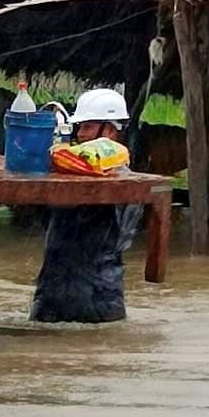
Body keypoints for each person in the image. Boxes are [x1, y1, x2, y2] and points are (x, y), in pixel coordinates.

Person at [31, 88, 140, 324]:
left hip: (97, 300)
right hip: (51, 295)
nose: (80, 134)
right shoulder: (66, 176)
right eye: (80, 127)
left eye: (88, 127)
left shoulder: (127, 184)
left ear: (110, 131)